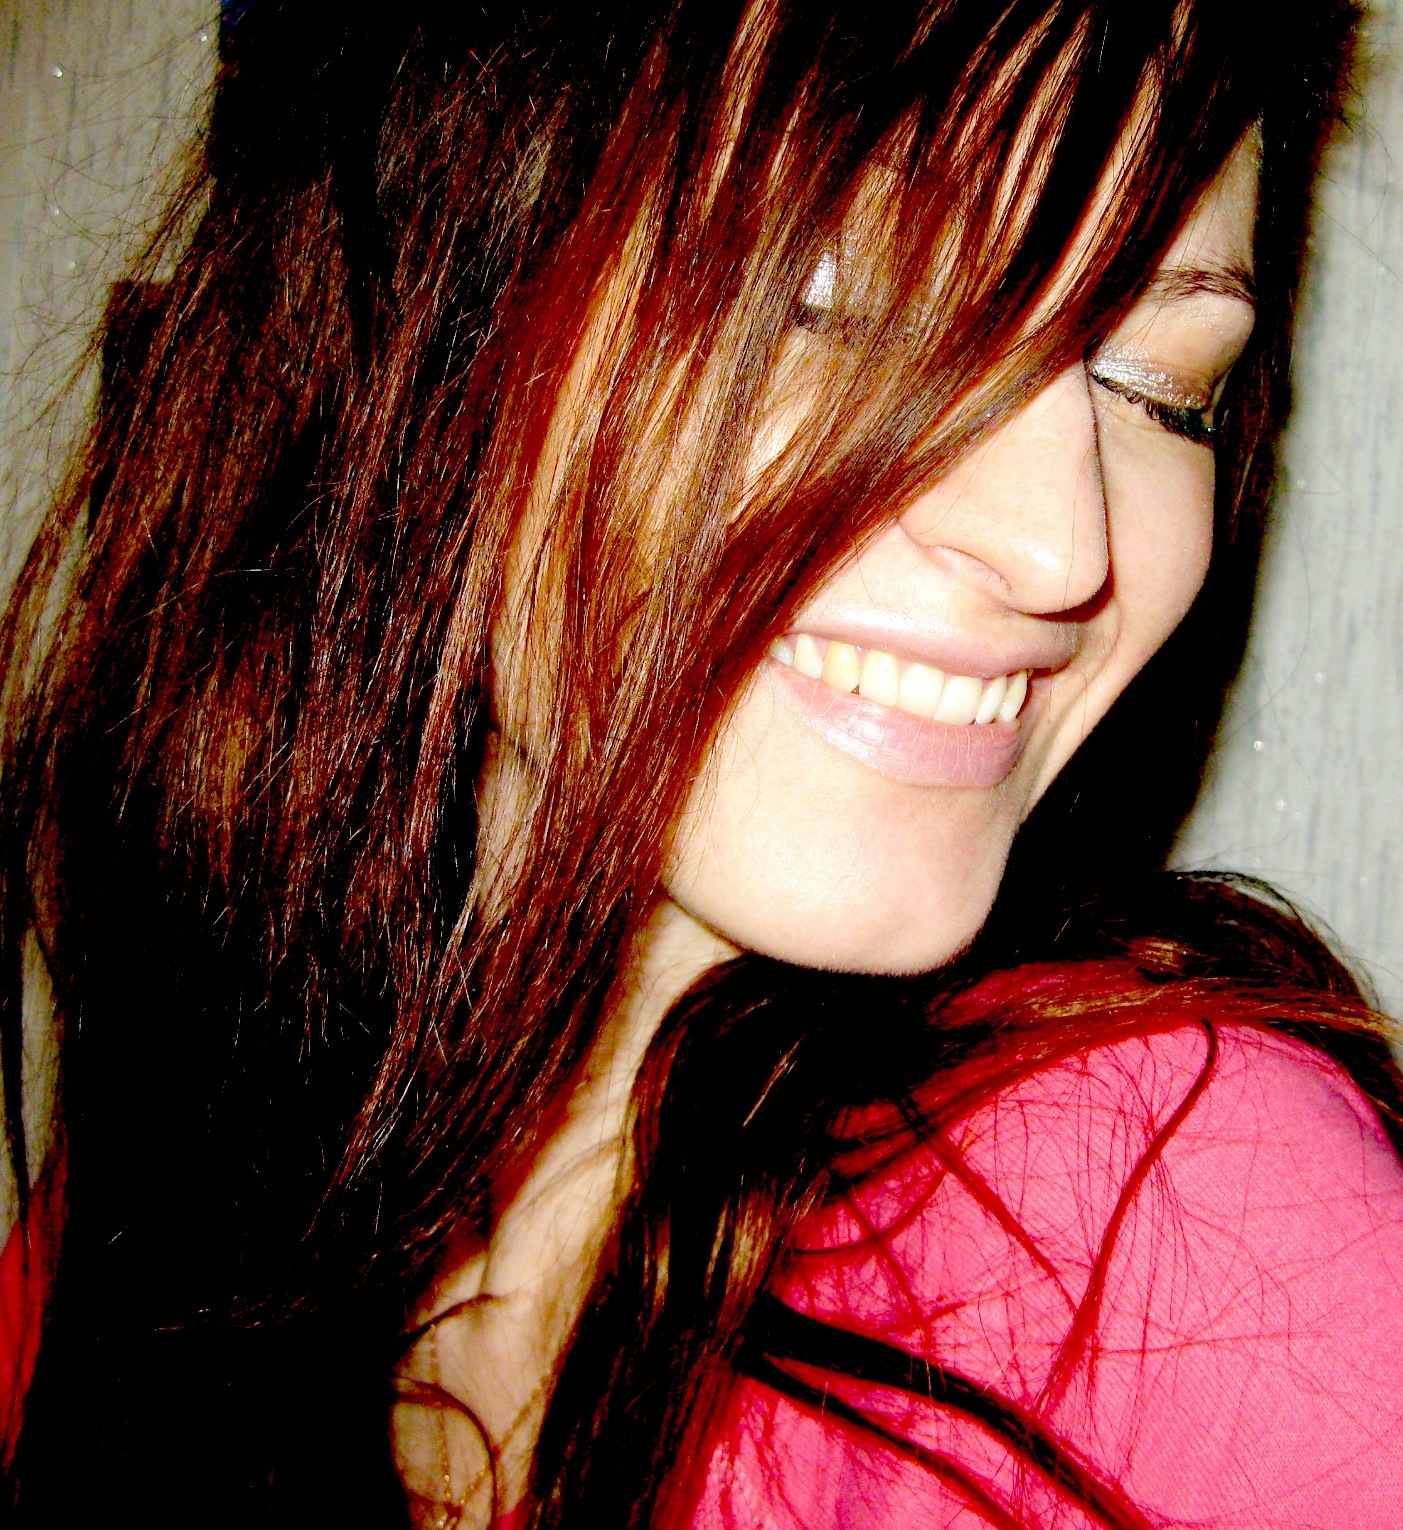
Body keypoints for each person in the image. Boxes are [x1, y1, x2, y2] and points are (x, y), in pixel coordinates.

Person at [3, 0, 1403, 1525]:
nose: (1062, 544)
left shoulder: (1185, 1242)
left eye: (1160, 387)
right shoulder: (162, 1177)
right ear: (442, 269)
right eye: (840, 292)